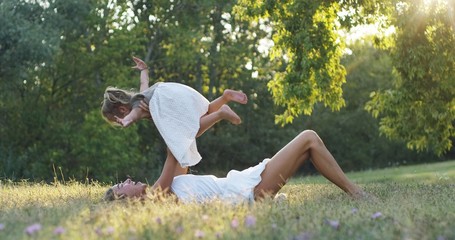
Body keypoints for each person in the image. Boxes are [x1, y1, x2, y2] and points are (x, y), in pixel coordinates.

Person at [104, 130, 368, 203]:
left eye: (123, 181)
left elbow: (184, 141)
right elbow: (174, 148)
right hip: (246, 193)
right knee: (309, 138)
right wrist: (161, 112)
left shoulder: (167, 187)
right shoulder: (155, 196)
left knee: (307, 147)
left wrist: (217, 114)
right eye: (122, 186)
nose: (127, 181)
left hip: (243, 184)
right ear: (124, 201)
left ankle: (354, 191)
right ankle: (357, 193)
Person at [101, 57, 248, 168]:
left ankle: (221, 113)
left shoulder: (137, 107)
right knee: (206, 111)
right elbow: (143, 83)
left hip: (169, 101)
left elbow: (132, 116)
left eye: (117, 120)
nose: (119, 123)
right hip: (173, 92)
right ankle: (225, 97)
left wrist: (126, 121)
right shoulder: (142, 96)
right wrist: (144, 69)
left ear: (122, 109)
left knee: (191, 130)